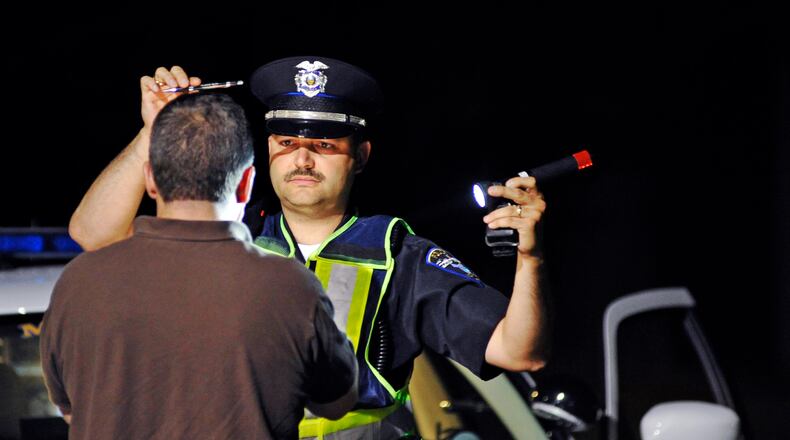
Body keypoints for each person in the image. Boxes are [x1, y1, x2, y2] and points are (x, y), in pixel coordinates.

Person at [69, 57, 549, 439]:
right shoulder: (226, 233)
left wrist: (531, 257)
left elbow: (518, 352)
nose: (301, 158)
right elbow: (95, 235)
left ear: (360, 157)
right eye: (285, 142)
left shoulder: (399, 255)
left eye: (323, 145)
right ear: (267, 150)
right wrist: (152, 131)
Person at [42, 93, 358, 439]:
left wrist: (154, 131)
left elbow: (71, 409)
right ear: (245, 184)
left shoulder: (78, 284)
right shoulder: (291, 288)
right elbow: (337, 402)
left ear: (150, 178)